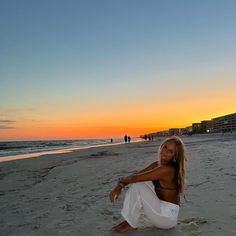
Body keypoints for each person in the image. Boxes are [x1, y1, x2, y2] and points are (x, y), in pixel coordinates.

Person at [109, 136, 187, 233]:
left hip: (166, 217)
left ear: (174, 156)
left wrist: (119, 186)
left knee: (139, 185)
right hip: (162, 211)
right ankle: (132, 219)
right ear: (161, 146)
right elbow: (138, 174)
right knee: (143, 181)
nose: (165, 151)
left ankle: (131, 223)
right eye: (165, 147)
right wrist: (120, 184)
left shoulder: (167, 169)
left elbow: (135, 179)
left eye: (170, 151)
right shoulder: (157, 165)